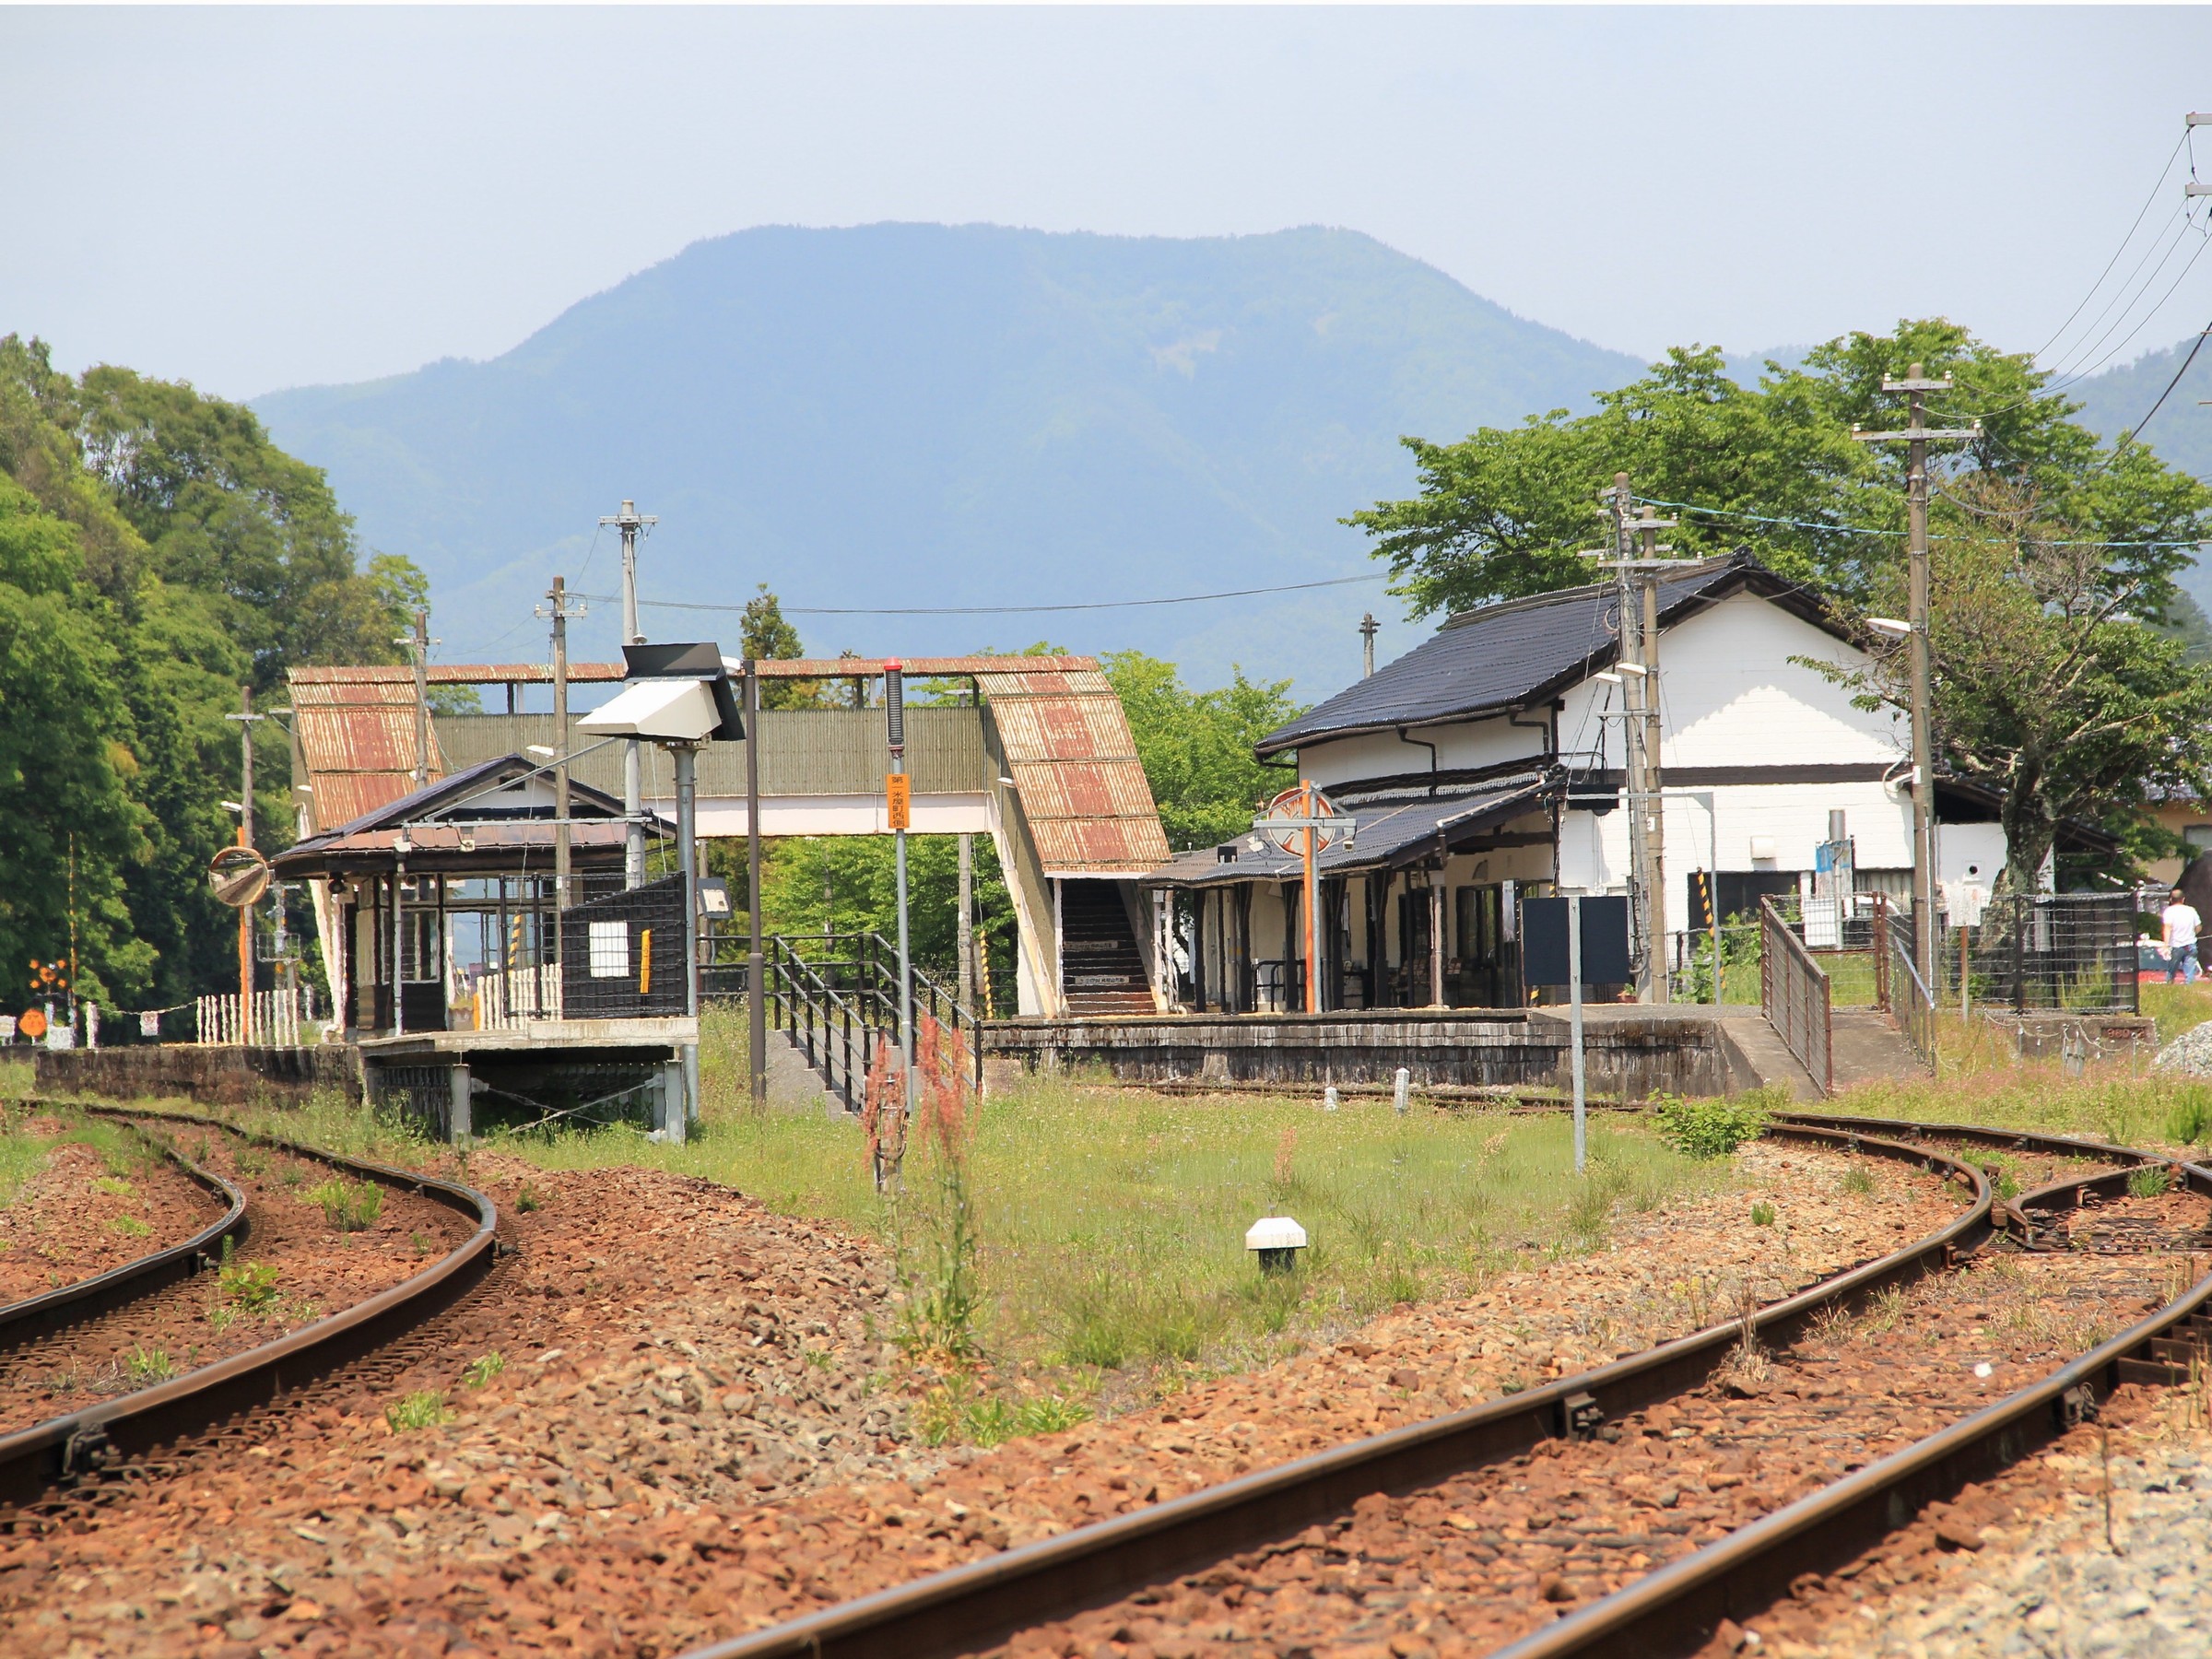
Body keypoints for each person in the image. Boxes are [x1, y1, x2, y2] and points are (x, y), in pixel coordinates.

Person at [2162, 888, 2203, 984]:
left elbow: (2167, 928)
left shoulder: (2169, 911)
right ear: (2183, 899)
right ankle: (2189, 989)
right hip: (2190, 945)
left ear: (2171, 899)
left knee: (2172, 970)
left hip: (2176, 945)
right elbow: (2199, 927)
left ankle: (2169, 986)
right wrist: (2192, 934)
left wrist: (2166, 945)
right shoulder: (2191, 910)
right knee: (2190, 972)